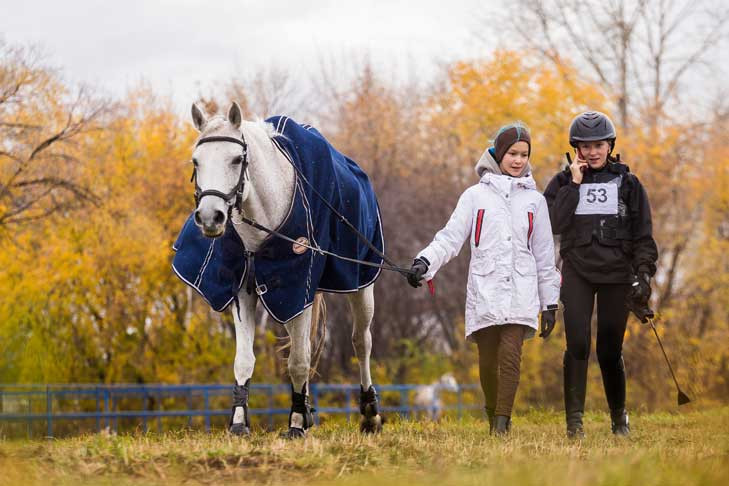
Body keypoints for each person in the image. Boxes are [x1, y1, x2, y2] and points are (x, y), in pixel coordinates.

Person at [407, 123, 561, 435]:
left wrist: (551, 303)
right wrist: (425, 262)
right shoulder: (474, 196)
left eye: (524, 155)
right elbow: (450, 238)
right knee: (488, 362)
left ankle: (501, 425)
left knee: (510, 357)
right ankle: (494, 414)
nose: (518, 160)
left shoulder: (536, 202)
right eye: (513, 154)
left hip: (522, 289)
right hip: (485, 289)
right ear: (498, 153)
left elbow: (545, 256)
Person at [543, 111, 658, 438]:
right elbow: (552, 225)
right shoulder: (562, 182)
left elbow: (644, 236)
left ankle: (619, 419)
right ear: (575, 148)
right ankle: (574, 424)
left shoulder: (630, 184)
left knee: (610, 349)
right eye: (585, 146)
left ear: (610, 145)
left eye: (598, 145)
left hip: (617, 274)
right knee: (577, 343)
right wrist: (574, 184)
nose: (592, 152)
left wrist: (644, 275)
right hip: (578, 271)